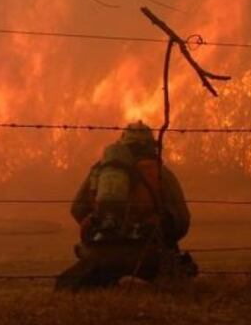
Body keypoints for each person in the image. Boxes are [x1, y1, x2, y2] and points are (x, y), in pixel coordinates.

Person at [55, 121, 196, 291]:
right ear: (152, 146)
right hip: (146, 257)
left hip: (98, 255)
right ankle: (139, 280)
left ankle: (108, 279)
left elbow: (77, 209)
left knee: (70, 283)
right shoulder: (160, 173)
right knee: (182, 272)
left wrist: (101, 224)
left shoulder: (100, 171)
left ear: (123, 145)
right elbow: (182, 221)